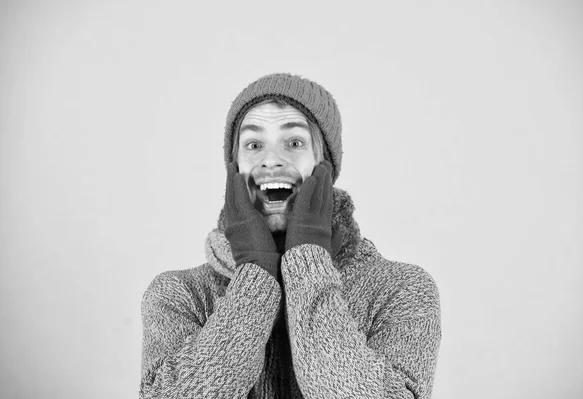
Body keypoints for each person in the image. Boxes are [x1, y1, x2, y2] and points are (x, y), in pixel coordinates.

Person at [140, 73, 442, 398]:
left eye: (294, 143)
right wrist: (255, 276)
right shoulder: (179, 296)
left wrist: (308, 260)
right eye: (253, 145)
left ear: (324, 165)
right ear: (234, 168)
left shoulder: (401, 291)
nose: (270, 160)